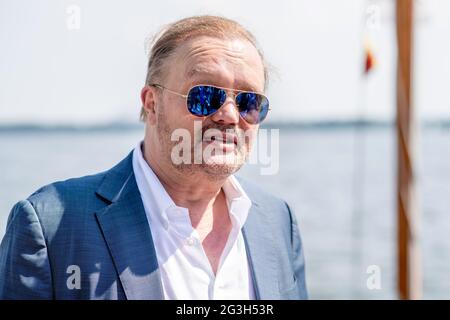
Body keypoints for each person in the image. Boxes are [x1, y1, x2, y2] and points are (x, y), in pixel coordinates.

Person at [0, 15, 307, 300]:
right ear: (152, 103)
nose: (229, 115)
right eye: (204, 96)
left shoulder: (278, 220)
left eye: (249, 101)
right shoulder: (50, 226)